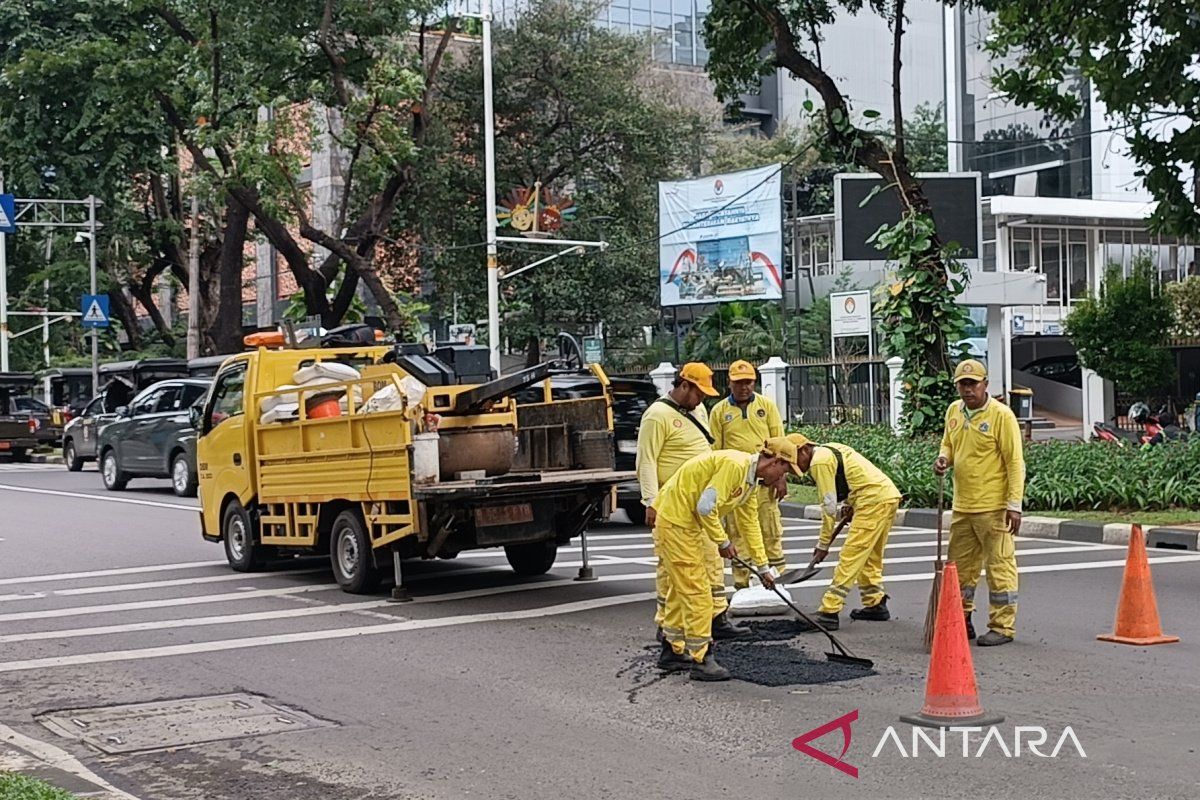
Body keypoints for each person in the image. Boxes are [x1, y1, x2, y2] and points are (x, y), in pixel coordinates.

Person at [653, 438, 801, 680]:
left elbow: (749, 524)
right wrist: (723, 542)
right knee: (697, 591)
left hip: (689, 523)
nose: (781, 478)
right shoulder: (735, 466)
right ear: (775, 461)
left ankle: (672, 651)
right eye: (784, 471)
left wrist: (763, 568)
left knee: (681, 589)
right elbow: (705, 507)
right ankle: (702, 658)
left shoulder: (750, 481)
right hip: (676, 521)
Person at [635, 362, 750, 652]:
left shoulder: (699, 410)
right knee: (673, 569)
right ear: (684, 385)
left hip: (701, 503)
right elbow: (646, 460)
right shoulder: (657, 415)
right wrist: (650, 501)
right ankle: (667, 625)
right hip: (671, 504)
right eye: (699, 393)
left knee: (711, 561)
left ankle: (717, 616)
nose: (702, 399)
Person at [933, 359, 1026, 647]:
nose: (967, 389)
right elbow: (948, 443)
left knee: (999, 566)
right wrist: (944, 458)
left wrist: (1014, 504)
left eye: (973, 384)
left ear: (985, 384)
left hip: (993, 508)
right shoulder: (954, 411)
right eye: (962, 384)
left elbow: (1014, 462)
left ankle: (1002, 626)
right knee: (959, 568)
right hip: (963, 506)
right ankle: (961, 619)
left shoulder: (1002, 416)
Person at [788, 433, 901, 630]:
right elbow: (852, 476)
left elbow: (829, 508)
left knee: (851, 555)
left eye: (795, 459)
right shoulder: (828, 449)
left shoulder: (818, 462)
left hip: (872, 501)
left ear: (805, 449)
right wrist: (851, 502)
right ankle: (874, 602)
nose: (795, 467)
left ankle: (829, 611)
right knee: (869, 555)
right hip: (885, 496)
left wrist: (823, 545)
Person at [709, 360, 788, 589]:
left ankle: (778, 581)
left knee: (770, 532)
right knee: (738, 535)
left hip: (765, 482)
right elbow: (717, 452)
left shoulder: (767, 406)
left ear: (755, 382)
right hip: (738, 485)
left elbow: (779, 443)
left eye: (748, 382)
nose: (744, 387)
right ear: (730, 383)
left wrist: (781, 477)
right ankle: (742, 585)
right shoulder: (720, 411)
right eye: (739, 383)